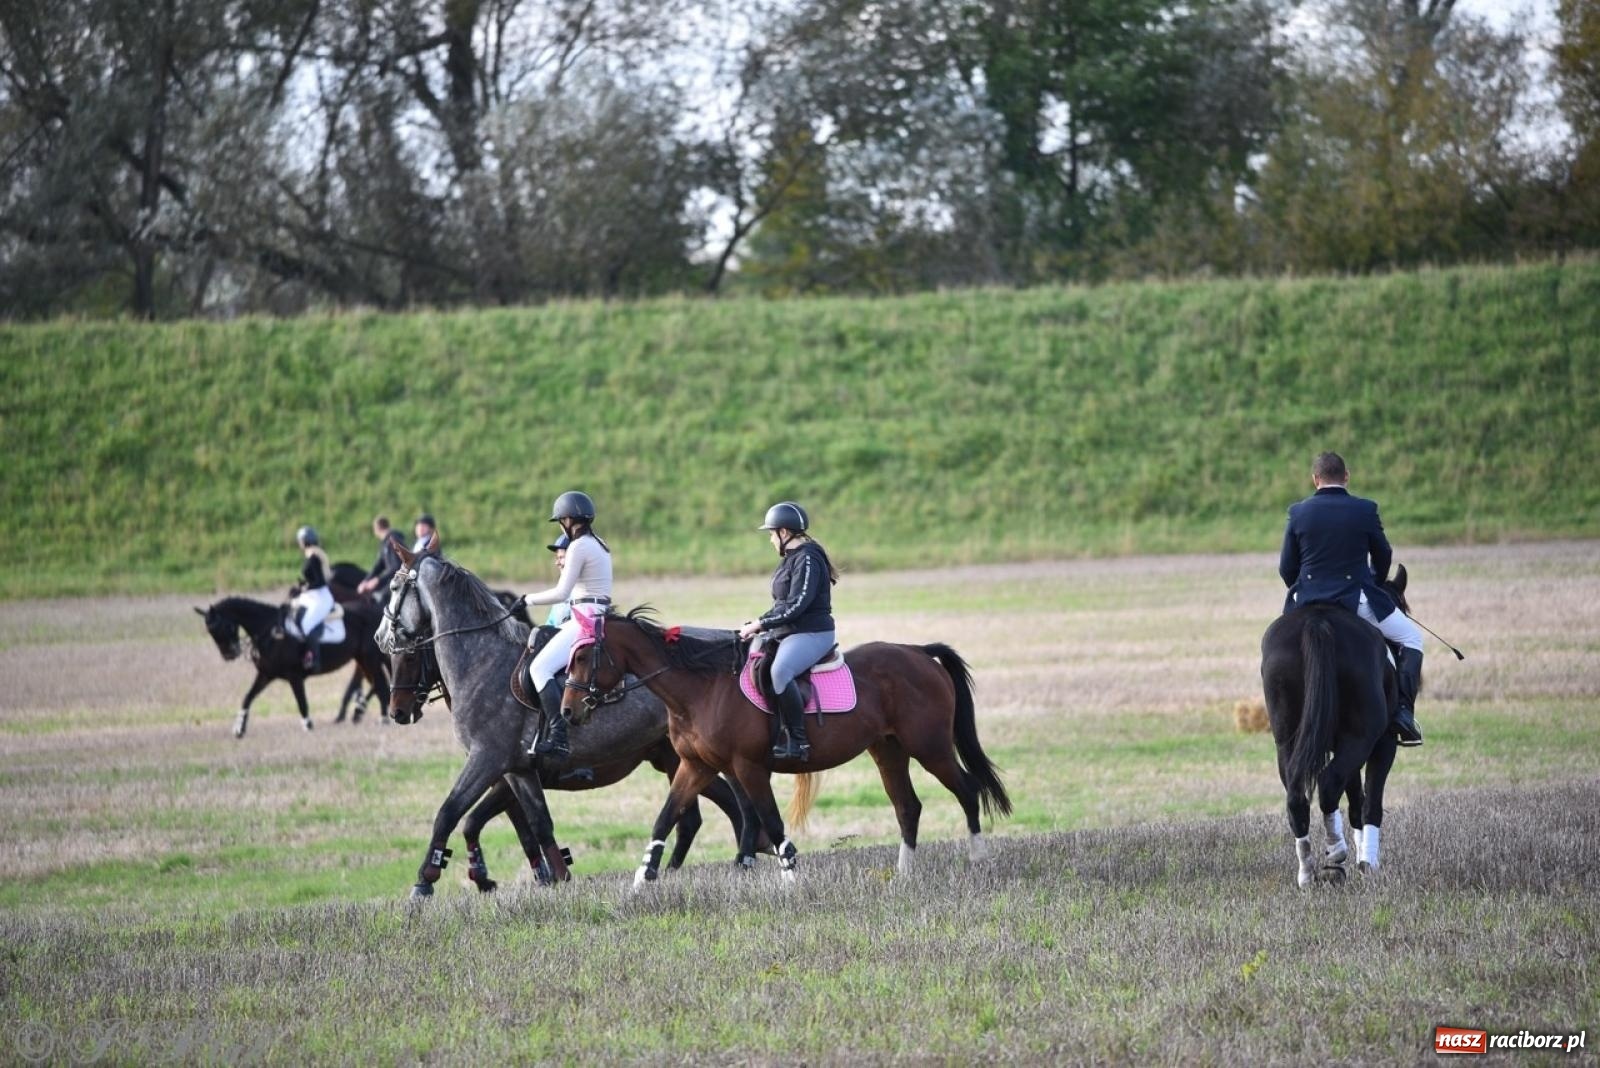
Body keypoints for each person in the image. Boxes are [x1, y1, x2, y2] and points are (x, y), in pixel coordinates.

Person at [1279, 451, 1424, 746]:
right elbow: (1383, 555)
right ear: (1346, 477)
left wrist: (1304, 588)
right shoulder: (1365, 509)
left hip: (1307, 601)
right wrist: (1374, 581)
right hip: (1356, 601)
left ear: (1315, 479)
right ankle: (1404, 714)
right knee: (1411, 639)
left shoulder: (1298, 512)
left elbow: (1286, 567)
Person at [738, 501, 839, 761]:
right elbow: (781, 605)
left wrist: (761, 624)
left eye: (772, 534)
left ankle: (798, 741)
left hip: (812, 633)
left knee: (780, 671)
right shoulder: (790, 559)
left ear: (784, 533)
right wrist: (759, 622)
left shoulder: (807, 559)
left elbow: (796, 606)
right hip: (789, 631)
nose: (771, 540)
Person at [520, 492, 611, 763]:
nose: (561, 525)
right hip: (594, 613)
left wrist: (526, 599)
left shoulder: (579, 547)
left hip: (583, 617)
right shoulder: (599, 543)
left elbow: (562, 592)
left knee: (539, 668)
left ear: (569, 520)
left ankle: (559, 736)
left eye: (560, 521)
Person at [292, 525, 336, 672]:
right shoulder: (312, 554)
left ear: (304, 541)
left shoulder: (313, 557)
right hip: (314, 595)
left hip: (321, 597)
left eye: (300, 541)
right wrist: (303, 586)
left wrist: (305, 588)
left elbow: (319, 582)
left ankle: (314, 659)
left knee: (307, 623)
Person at [357, 515, 407, 600]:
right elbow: (379, 565)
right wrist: (366, 581)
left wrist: (377, 580)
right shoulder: (385, 543)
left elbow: (395, 567)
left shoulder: (392, 541)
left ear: (376, 529)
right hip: (394, 578)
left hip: (403, 579)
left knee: (380, 597)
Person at [544, 533, 573, 628]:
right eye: (557, 558)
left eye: (561, 558)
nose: (557, 563)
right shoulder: (562, 587)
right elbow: (550, 623)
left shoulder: (583, 589)